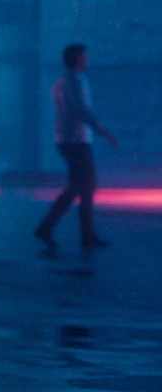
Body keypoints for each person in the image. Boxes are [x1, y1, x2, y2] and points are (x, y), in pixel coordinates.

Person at [35, 44, 118, 250]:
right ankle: (59, 230)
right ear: (78, 58)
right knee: (83, 186)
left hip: (67, 140)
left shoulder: (61, 81)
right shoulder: (74, 80)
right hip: (76, 140)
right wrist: (104, 131)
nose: (87, 59)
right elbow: (80, 110)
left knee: (81, 186)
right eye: (84, 55)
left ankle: (74, 232)